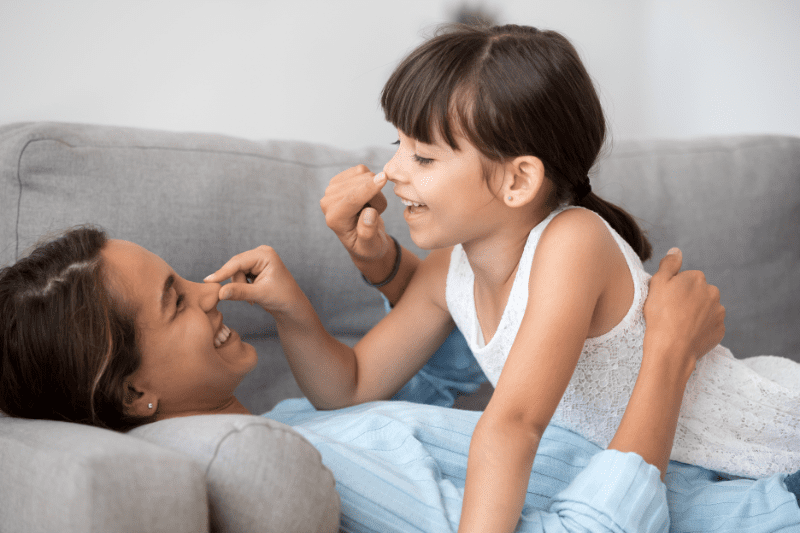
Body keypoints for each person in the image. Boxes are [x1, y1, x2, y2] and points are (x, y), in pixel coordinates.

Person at [295, 22, 800, 531]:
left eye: (422, 156)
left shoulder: (573, 242)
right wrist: (286, 307)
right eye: (398, 144)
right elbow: (351, 388)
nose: (392, 171)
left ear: (518, 180)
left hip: (774, 446)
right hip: (683, 474)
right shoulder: (449, 269)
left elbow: (514, 425)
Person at [2, 226, 798, 532]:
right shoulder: (315, 467)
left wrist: (395, 278)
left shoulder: (291, 420)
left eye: (184, 274)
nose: (211, 290)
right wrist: (664, 352)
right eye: (177, 299)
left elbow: (438, 379)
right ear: (135, 394)